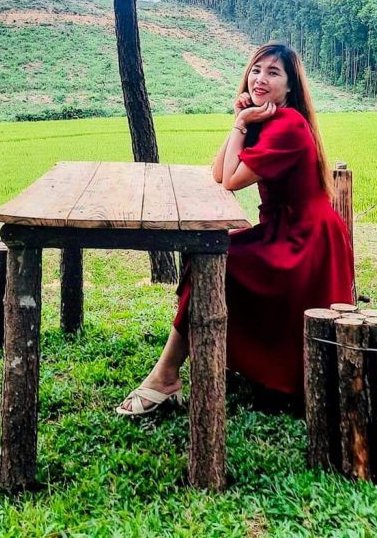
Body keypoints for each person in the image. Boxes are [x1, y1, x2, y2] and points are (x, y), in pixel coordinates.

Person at [117, 42, 354, 417]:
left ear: (290, 86)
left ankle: (166, 375)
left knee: (213, 263)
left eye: (273, 72)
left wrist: (242, 123)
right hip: (284, 232)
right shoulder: (269, 119)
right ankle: (176, 368)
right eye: (256, 69)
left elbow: (229, 180)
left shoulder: (289, 126)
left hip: (304, 242)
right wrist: (241, 119)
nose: (260, 78)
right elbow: (218, 171)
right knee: (205, 259)